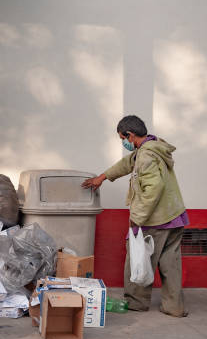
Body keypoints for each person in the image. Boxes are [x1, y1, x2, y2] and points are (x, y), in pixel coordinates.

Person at [81, 115, 189, 317]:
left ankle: (137, 302)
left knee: (138, 258)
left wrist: (137, 219)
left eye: (122, 138)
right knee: (170, 264)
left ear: (130, 135)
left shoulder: (147, 156)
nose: (123, 142)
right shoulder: (152, 147)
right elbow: (127, 163)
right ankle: (175, 307)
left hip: (156, 219)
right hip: (175, 216)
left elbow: (153, 189)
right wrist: (103, 177)